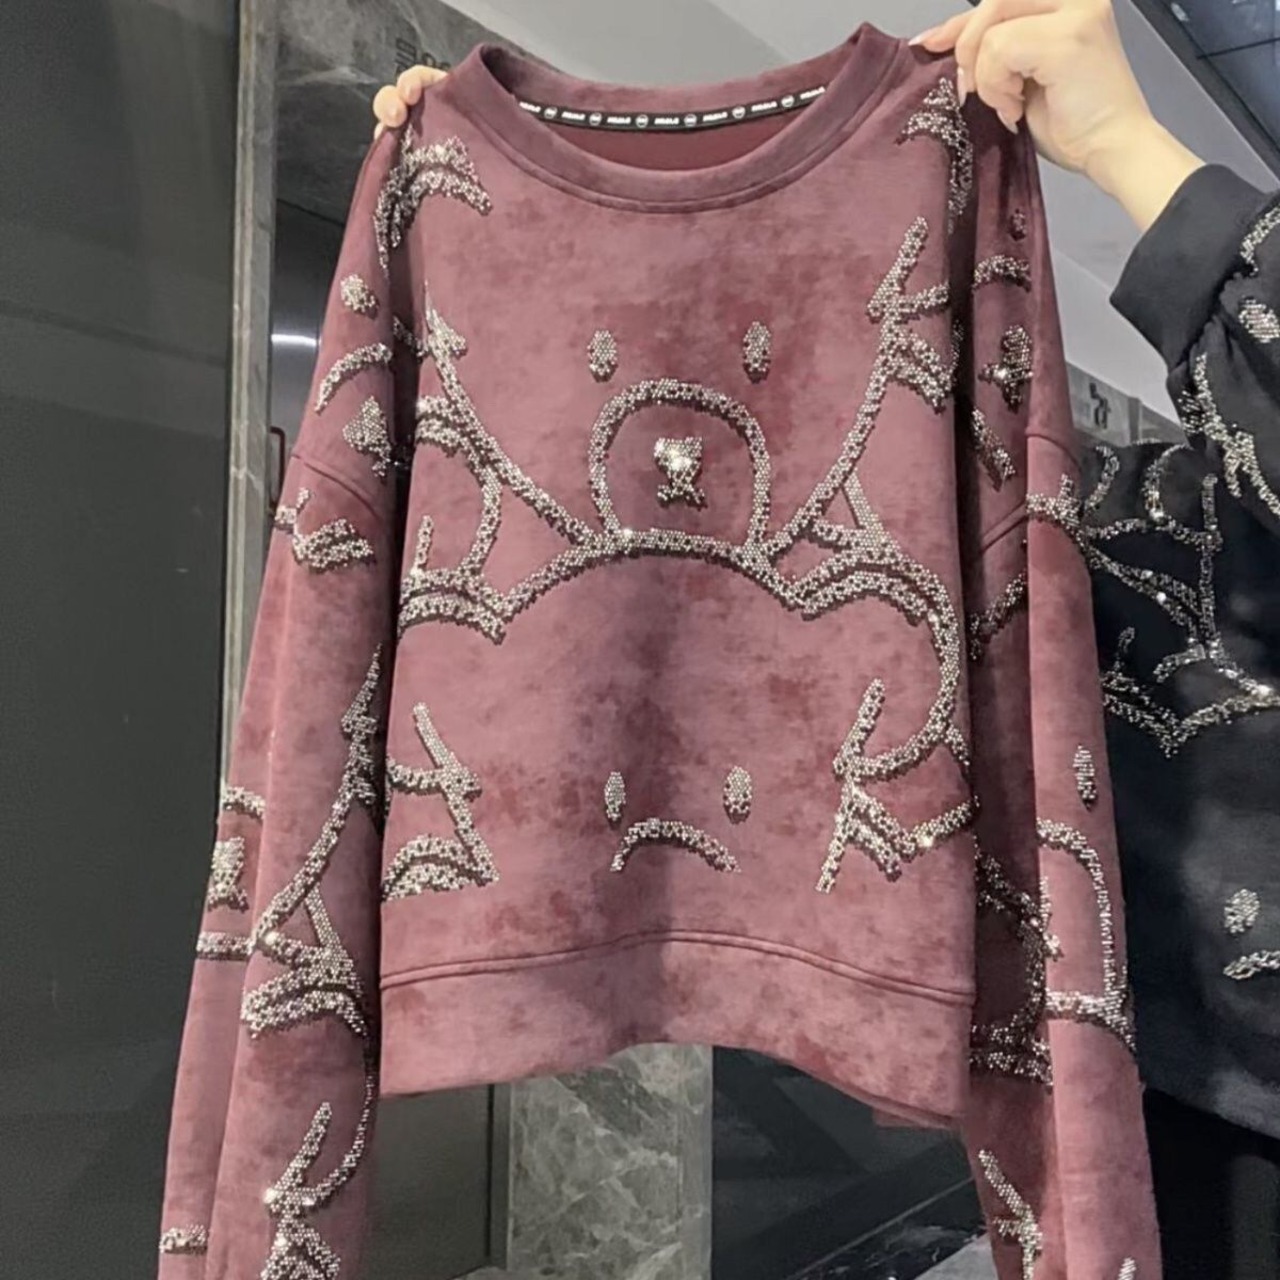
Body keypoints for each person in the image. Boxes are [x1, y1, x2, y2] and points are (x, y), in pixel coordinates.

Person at [372, 3, 1280, 1274]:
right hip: (1162, 1055)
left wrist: (1133, 148)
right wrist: (515, 228)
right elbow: (936, 523)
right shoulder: (1151, 511)